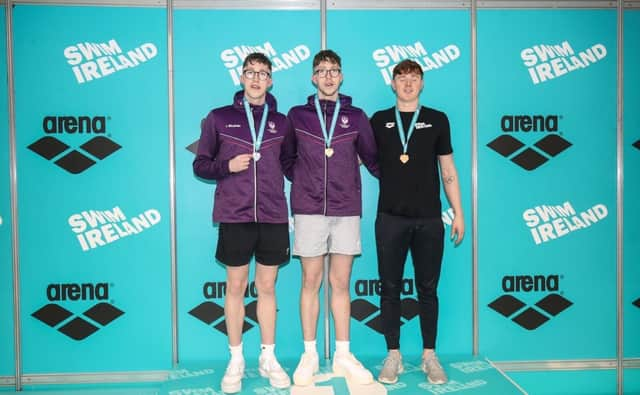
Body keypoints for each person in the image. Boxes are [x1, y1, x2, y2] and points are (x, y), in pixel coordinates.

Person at [193, 52, 291, 394]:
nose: (256, 79)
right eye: (250, 72)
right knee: (235, 287)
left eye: (263, 73)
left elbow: (293, 165)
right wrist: (226, 167)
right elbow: (200, 166)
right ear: (241, 77)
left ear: (271, 80)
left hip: (274, 214)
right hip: (234, 215)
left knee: (267, 287)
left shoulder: (282, 122)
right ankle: (235, 359)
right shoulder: (219, 118)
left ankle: (268, 357)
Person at [282, 49, 379, 386]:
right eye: (321, 70)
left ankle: (342, 354)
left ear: (341, 76)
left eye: (334, 70)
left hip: (346, 208)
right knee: (310, 282)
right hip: (308, 209)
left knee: (340, 283)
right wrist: (307, 181)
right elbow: (285, 158)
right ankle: (309, 354)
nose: (328, 76)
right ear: (313, 77)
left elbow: (373, 159)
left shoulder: (357, 115)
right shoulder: (297, 115)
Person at [369, 59, 464, 385]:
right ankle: (393, 354)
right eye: (401, 77)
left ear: (422, 83)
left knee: (428, 289)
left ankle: (429, 355)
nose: (407, 83)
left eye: (414, 78)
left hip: (428, 220)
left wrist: (459, 212)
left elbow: (447, 170)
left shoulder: (438, 120)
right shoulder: (379, 121)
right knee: (390, 288)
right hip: (390, 218)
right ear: (392, 83)